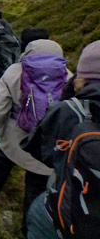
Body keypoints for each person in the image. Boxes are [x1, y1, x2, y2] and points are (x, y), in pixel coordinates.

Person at [0, 39, 70, 237]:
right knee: (35, 193)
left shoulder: (14, 72)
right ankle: (28, 230)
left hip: (14, 140)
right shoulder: (69, 76)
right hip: (47, 150)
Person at [22, 40, 100, 239]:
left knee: (40, 204)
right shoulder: (64, 77)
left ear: (82, 77)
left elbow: (40, 150)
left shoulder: (68, 110)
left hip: (66, 218)